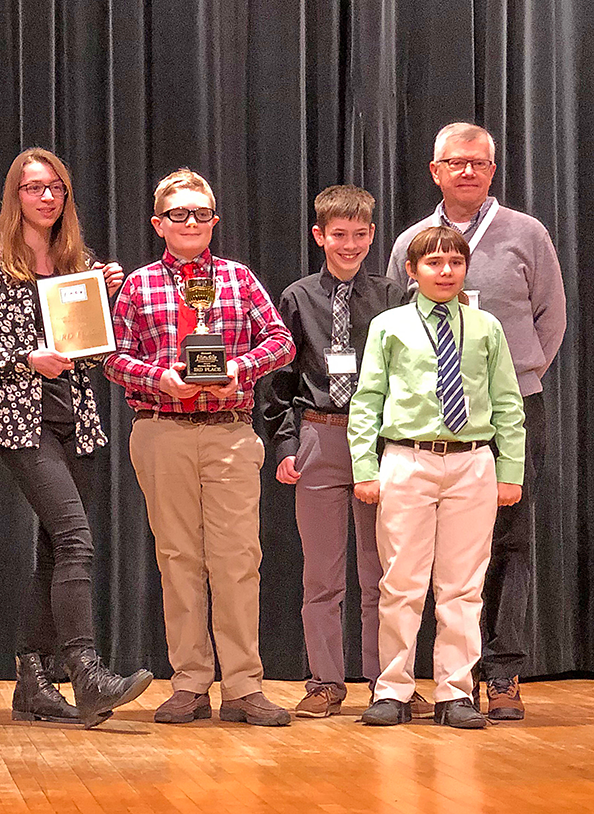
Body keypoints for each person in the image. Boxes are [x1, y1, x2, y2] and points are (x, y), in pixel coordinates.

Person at [0, 147, 151, 728]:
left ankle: (32, 679)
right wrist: (25, 358)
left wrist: (105, 298)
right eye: (34, 187)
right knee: (76, 540)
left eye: (55, 189)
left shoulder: (78, 263)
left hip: (78, 418)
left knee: (54, 551)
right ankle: (87, 672)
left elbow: (92, 352)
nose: (46, 197)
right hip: (23, 421)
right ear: (14, 196)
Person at [385, 123, 565, 720]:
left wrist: (512, 380)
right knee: (420, 561)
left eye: (479, 163)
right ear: (435, 170)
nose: (468, 172)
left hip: (508, 409)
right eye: (456, 163)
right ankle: (420, 683)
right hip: (427, 419)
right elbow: (394, 320)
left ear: (493, 170)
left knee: (510, 537)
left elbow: (551, 318)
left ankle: (503, 671)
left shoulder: (526, 233)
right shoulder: (413, 239)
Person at [106, 168, 295, 727]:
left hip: (230, 431)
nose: (191, 223)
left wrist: (239, 366)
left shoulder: (238, 277)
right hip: (162, 428)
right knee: (178, 559)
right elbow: (112, 357)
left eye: (201, 214)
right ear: (158, 223)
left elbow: (280, 340)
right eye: (178, 214)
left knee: (238, 560)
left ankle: (243, 686)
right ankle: (189, 682)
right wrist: (159, 378)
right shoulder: (139, 284)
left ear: (215, 220)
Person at [353, 225, 525, 729]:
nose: (445, 271)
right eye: (434, 262)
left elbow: (508, 402)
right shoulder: (389, 325)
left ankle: (455, 692)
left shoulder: (486, 327)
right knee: (401, 583)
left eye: (455, 261)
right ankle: (392, 690)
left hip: (472, 461)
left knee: (462, 586)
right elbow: (367, 401)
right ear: (412, 270)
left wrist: (509, 470)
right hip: (408, 459)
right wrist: (365, 466)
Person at [261, 185, 422, 717]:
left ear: (373, 235)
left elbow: (408, 374)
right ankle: (325, 681)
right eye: (338, 235)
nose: (349, 244)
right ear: (319, 236)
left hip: (378, 439)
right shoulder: (297, 296)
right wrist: (284, 442)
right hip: (318, 435)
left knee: (382, 572)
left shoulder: (394, 296)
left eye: (359, 235)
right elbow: (280, 378)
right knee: (321, 573)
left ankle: (388, 680)